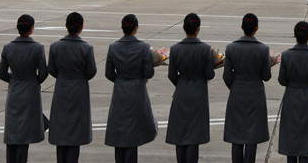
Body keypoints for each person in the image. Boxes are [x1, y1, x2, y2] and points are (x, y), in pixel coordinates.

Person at [104, 14, 158, 163]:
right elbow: (148, 73)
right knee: (134, 131)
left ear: (122, 28)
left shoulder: (113, 47)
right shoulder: (143, 47)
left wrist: (120, 80)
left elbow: (109, 73)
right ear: (136, 28)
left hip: (120, 89)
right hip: (137, 90)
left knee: (119, 129)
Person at [165, 13, 216, 163]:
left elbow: (171, 75)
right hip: (199, 92)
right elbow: (209, 74)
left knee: (180, 133)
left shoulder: (175, 49)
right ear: (198, 29)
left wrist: (182, 83)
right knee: (194, 134)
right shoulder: (205, 49)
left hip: (181, 91)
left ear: (183, 28)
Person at [0, 14, 48, 163]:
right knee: (25, 134)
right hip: (30, 91)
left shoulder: (8, 47)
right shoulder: (37, 48)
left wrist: (14, 80)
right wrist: (33, 82)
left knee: (13, 132)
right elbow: (43, 73)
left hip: (14, 92)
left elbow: (1, 74)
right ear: (31, 29)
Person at [223, 12, 273, 163]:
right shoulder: (263, 49)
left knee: (236, 136)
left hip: (237, 92)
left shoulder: (231, 48)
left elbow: (226, 76)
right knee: (252, 137)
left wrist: (236, 86)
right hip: (255, 93)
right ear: (256, 28)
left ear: (241, 27)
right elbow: (266, 76)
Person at [48, 12, 97, 163]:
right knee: (75, 131)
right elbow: (91, 72)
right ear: (81, 27)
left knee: (61, 129)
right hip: (79, 89)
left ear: (66, 26)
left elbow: (51, 69)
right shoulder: (86, 48)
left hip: (61, 87)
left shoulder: (55, 46)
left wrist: (64, 77)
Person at [278, 21, 308, 163]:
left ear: (295, 35)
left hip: (292, 96)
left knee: (291, 138)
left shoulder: (287, 55)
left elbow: (282, 80)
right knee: (306, 140)